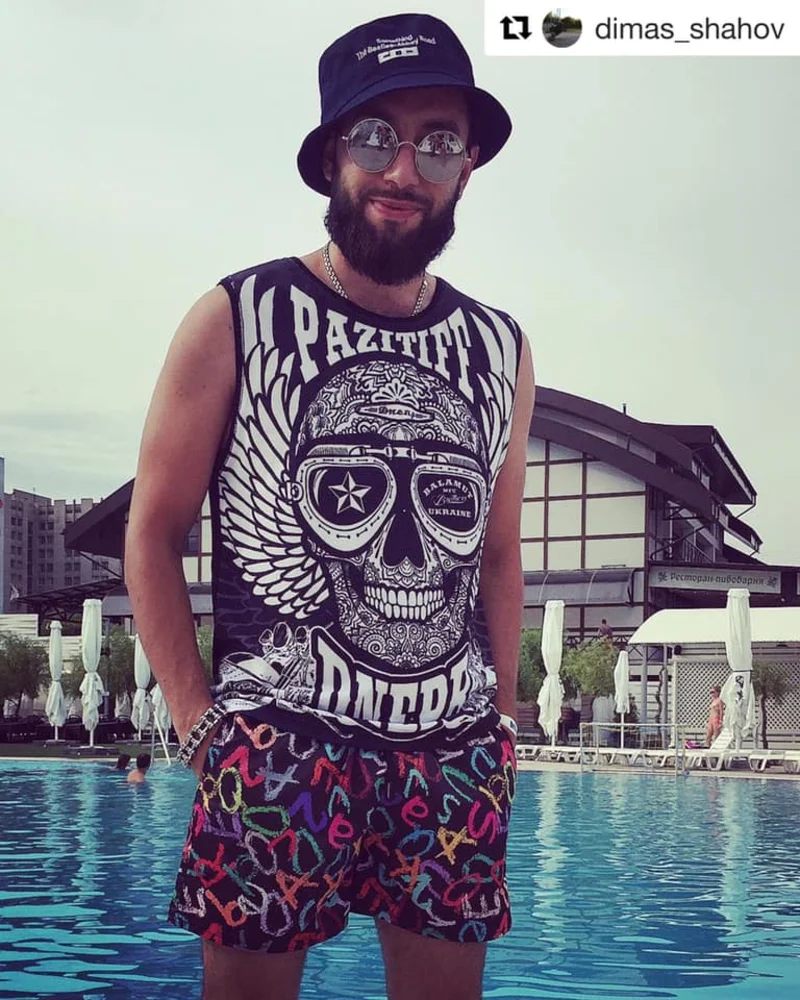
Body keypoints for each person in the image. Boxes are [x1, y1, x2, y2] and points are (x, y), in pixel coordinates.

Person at [124, 13, 534, 1000]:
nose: (404, 168)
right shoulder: (235, 318)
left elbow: (495, 550)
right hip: (274, 747)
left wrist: (503, 717)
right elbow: (152, 531)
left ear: (468, 166)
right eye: (375, 136)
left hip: (452, 752)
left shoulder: (501, 348)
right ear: (329, 157)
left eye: (437, 141)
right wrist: (198, 723)